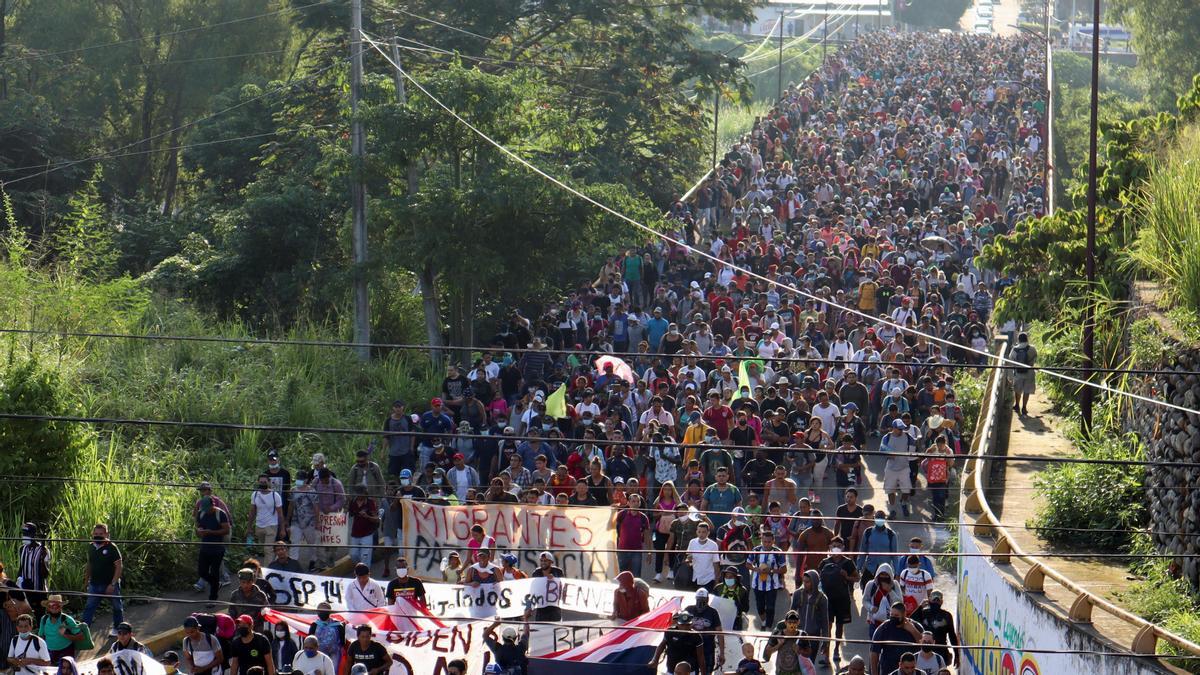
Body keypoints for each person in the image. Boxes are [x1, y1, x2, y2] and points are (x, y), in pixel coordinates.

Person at [816, 536, 858, 662]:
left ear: (843, 548)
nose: (836, 548)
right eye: (834, 546)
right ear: (829, 547)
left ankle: (836, 651)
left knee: (840, 627)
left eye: (839, 546)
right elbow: (817, 579)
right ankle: (826, 653)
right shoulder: (824, 562)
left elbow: (857, 578)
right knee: (827, 627)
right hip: (827, 601)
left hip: (842, 600)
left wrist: (847, 577)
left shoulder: (848, 563)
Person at [79, 523, 124, 635]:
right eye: (96, 533)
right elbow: (89, 564)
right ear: (92, 534)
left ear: (107, 534)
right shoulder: (91, 546)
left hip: (110, 584)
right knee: (89, 607)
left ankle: (118, 628)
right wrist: (86, 581)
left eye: (101, 534)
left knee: (117, 607)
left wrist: (112, 584)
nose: (98, 536)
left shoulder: (112, 547)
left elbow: (119, 566)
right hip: (94, 584)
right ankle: (84, 632)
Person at [747, 529, 786, 630]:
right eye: (764, 541)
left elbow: (784, 569)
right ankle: (764, 621)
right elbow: (748, 564)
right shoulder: (756, 550)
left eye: (769, 542)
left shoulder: (778, 553)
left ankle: (768, 626)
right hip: (757, 584)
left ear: (773, 541)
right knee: (760, 607)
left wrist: (771, 571)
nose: (766, 544)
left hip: (772, 585)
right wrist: (756, 569)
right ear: (761, 541)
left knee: (770, 607)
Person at [869, 602, 923, 675]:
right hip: (888, 670)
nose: (893, 617)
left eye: (896, 615)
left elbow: (923, 646)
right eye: (892, 615)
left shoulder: (915, 626)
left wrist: (913, 631)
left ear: (904, 614)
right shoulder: (884, 628)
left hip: (910, 670)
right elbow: (874, 653)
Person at [196, 497, 232, 605]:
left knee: (214, 572)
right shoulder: (201, 514)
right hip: (205, 548)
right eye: (204, 508)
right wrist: (199, 531)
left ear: (213, 505)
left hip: (217, 549)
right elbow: (197, 529)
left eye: (208, 508)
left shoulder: (220, 514)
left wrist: (211, 532)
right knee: (202, 572)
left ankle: (212, 599)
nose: (206, 510)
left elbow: (226, 530)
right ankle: (216, 584)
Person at [910, 590, 959, 667]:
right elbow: (911, 621)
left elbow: (952, 636)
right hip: (924, 649)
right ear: (929, 600)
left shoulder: (947, 615)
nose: (936, 601)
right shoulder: (923, 613)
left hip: (941, 650)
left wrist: (957, 654)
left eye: (938, 599)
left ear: (941, 602)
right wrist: (920, 607)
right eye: (934, 599)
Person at [762, 611, 816, 675]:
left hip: (797, 672)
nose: (792, 624)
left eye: (794, 622)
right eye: (790, 622)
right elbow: (766, 654)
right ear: (785, 622)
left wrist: (799, 651)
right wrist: (778, 645)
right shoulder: (778, 634)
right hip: (781, 672)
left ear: (798, 622)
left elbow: (809, 653)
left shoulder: (803, 635)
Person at [684, 589, 724, 675]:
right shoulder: (689, 609)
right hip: (690, 649)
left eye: (703, 600)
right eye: (698, 599)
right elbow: (680, 626)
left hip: (707, 649)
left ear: (707, 600)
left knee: (706, 672)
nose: (700, 602)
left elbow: (720, 633)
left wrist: (722, 653)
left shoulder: (713, 612)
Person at [36, 594, 85, 664]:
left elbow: (81, 637)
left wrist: (65, 635)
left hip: (66, 651)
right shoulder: (44, 619)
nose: (54, 608)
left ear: (61, 607)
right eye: (51, 605)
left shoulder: (67, 620)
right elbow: (41, 637)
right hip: (49, 652)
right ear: (48, 608)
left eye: (57, 605)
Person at [287, 470, 320, 572]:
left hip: (309, 522)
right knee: (294, 543)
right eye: (297, 478)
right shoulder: (293, 490)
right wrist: (287, 520)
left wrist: (317, 522)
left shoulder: (312, 492)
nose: (298, 481)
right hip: (296, 522)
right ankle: (293, 565)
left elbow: (316, 507)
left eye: (300, 479)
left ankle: (312, 562)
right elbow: (291, 506)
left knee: (312, 544)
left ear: (306, 480)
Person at [482, 610, 531, 675]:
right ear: (515, 638)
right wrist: (525, 619)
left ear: (502, 638)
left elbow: (485, 635)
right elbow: (526, 633)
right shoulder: (521, 648)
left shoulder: (498, 649)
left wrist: (496, 623)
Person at [16, 524, 50, 616]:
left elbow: (46, 573)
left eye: (27, 534)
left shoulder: (43, 550)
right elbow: (21, 567)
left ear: (34, 535)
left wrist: (42, 558)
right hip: (25, 586)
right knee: (24, 613)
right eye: (23, 534)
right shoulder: (22, 549)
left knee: (40, 614)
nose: (24, 536)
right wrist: (18, 580)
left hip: (38, 588)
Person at [249, 474, 286, 560]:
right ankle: (275, 558)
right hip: (259, 525)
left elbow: (280, 514)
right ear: (258, 482)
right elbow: (252, 512)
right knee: (264, 547)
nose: (262, 483)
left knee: (267, 549)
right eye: (261, 482)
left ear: (269, 482)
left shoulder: (275, 495)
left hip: (271, 525)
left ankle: (267, 571)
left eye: (264, 482)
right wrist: (249, 527)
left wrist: (282, 529)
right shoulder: (255, 495)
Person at [615, 495, 651, 577]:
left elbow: (647, 537)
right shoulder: (621, 514)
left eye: (637, 501)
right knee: (621, 576)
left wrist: (649, 552)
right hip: (622, 550)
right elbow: (611, 527)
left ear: (640, 503)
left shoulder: (643, 518)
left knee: (636, 576)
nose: (635, 503)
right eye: (633, 501)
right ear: (628, 503)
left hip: (637, 552)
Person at [858, 514, 897, 589]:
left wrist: (897, 573)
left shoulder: (891, 535)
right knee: (867, 593)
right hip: (870, 569)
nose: (880, 520)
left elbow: (894, 555)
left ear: (885, 519)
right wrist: (858, 568)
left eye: (882, 518)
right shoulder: (868, 532)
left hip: (885, 573)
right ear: (874, 518)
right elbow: (863, 552)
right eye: (878, 518)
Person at [307, 603, 346, 670]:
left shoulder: (338, 625)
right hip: (319, 654)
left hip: (334, 654)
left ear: (329, 612)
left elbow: (343, 642)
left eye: (325, 611)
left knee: (332, 671)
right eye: (320, 611)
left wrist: (342, 649)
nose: (322, 613)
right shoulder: (314, 625)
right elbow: (309, 640)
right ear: (317, 612)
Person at [1009, 332, 1037, 416]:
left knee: (1017, 390)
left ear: (1018, 339)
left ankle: (1017, 405)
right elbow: (1035, 358)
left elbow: (1011, 359)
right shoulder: (1032, 349)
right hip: (1029, 373)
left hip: (1018, 372)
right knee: (1026, 391)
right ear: (1027, 339)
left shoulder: (1015, 349)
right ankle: (1024, 407)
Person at [530, 552, 564, 622]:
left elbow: (562, 586)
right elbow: (533, 589)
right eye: (541, 561)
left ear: (551, 562)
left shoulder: (558, 572)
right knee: (540, 629)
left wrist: (554, 579)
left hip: (554, 608)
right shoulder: (536, 573)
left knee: (555, 628)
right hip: (541, 609)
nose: (543, 562)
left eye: (545, 561)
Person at [713, 566, 749, 631]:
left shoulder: (743, 590)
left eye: (730, 577)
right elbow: (713, 605)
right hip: (720, 620)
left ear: (736, 578)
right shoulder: (718, 588)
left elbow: (746, 608)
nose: (728, 578)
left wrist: (737, 606)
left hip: (736, 622)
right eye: (726, 577)